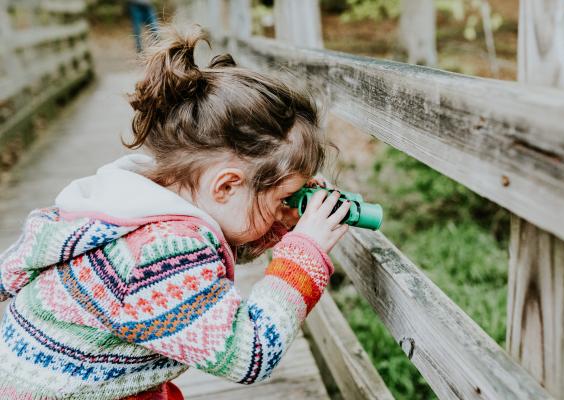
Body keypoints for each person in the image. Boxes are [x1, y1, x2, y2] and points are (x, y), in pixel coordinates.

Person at [0, 25, 350, 399]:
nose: (289, 206)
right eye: (286, 196)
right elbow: (250, 354)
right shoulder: (162, 252)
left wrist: (277, 226)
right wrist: (303, 255)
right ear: (227, 186)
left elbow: (208, 256)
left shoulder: (128, 205)